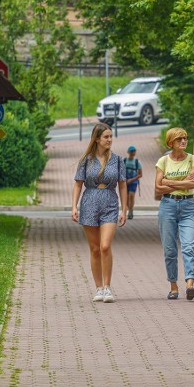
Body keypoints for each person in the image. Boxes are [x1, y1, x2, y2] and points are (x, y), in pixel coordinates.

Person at [72, 123, 127, 303]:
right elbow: (78, 184)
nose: (110, 140)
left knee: (105, 246)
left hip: (110, 203)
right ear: (97, 139)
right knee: (95, 249)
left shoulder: (117, 160)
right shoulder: (86, 160)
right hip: (89, 203)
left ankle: (107, 287)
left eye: (111, 136)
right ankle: (98, 288)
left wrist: (124, 210)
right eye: (106, 137)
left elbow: (123, 185)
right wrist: (74, 207)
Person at [155, 128, 194, 300]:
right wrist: (183, 182)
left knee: (189, 246)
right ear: (171, 142)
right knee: (170, 250)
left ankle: (190, 283)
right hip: (168, 206)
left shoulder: (192, 159)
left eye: (185, 138)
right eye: (179, 138)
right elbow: (158, 187)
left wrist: (168, 181)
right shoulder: (163, 161)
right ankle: (173, 286)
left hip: (188, 206)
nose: (183, 141)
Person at [123, 145, 142, 220]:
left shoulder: (137, 162)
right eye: (131, 151)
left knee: (131, 196)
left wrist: (132, 179)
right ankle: (128, 208)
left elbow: (140, 174)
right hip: (125, 182)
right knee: (127, 198)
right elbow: (121, 171)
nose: (133, 153)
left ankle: (131, 211)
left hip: (133, 182)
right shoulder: (124, 161)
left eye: (134, 151)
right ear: (128, 152)